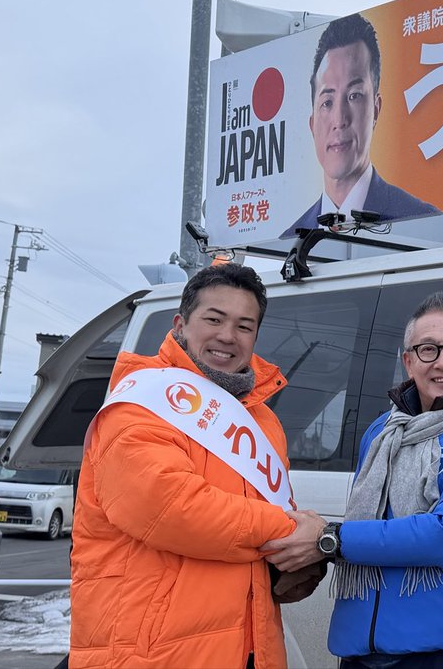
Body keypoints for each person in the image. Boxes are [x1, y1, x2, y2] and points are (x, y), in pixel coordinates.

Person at [68, 262, 324, 669]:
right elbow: (171, 508)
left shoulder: (262, 421)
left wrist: (296, 564)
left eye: (244, 326)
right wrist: (298, 532)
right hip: (152, 649)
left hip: (247, 644)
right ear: (181, 323)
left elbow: (261, 528)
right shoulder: (142, 402)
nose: (227, 336)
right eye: (214, 319)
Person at [263, 292, 443, 669]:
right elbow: (369, 525)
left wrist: (328, 539)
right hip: (360, 649)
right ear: (408, 362)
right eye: (427, 350)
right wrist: (312, 558)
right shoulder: (383, 431)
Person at [282, 13, 438, 236]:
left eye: (354, 96)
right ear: (312, 124)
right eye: (327, 102)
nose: (339, 119)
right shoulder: (290, 237)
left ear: (376, 109)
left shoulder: (421, 221)